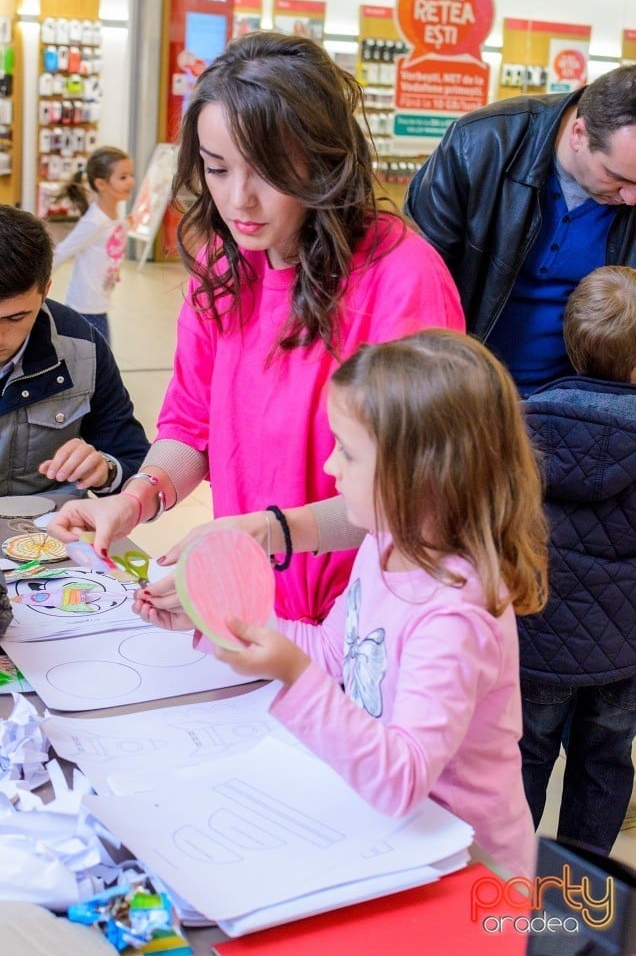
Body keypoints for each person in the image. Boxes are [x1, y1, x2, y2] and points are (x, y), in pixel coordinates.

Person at [48, 32, 464, 623]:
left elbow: (413, 490)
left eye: (267, 172)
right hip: (252, 599)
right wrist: (136, 498)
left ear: (324, 160)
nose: (238, 200)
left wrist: (268, 533)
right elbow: (190, 427)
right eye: (217, 169)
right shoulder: (223, 269)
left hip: (365, 618)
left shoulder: (401, 278)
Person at [135, 330, 548, 879]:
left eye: (349, 453)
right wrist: (219, 618)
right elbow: (337, 653)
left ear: (421, 475)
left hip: (469, 869)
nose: (330, 468)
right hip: (397, 844)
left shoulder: (453, 615)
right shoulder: (384, 542)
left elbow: (402, 779)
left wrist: (291, 672)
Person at [405, 65, 636, 395]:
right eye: (618, 178)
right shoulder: (479, 145)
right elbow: (415, 285)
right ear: (579, 134)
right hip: (458, 396)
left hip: (577, 410)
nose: (631, 197)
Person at [518, 265, 636, 854]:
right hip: (624, 656)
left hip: (535, 642)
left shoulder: (522, 427)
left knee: (526, 757)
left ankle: (505, 889)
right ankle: (581, 895)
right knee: (604, 764)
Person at [0, 205, 149, 497]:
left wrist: (104, 470)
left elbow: (135, 461)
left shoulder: (83, 347)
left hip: (50, 533)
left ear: (45, 291)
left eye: (15, 318)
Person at [52, 146, 135, 345]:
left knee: (98, 362)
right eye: (123, 177)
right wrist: (32, 283)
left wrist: (128, 223)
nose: (131, 181)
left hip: (99, 304)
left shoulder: (111, 217)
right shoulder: (94, 221)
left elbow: (111, 230)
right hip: (85, 308)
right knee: (96, 364)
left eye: (131, 175)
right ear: (101, 184)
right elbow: (62, 252)